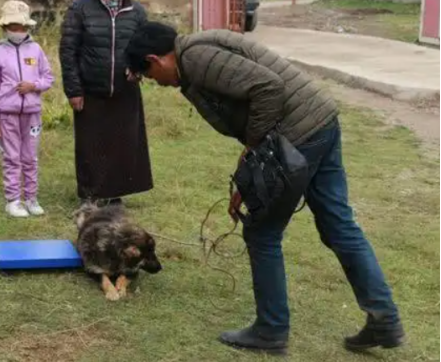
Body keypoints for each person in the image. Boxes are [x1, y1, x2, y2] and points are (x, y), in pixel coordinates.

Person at [126, 22, 405, 356]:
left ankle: (270, 330)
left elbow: (267, 87)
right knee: (339, 225)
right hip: (320, 122)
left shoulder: (196, 57)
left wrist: (253, 151)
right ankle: (384, 317)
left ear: (156, 59)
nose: (157, 83)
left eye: (151, 76)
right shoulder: (195, 53)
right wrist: (249, 163)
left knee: (262, 234)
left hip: (299, 135)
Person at [59, 0, 153, 206]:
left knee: (121, 143)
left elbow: (146, 45)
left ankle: (114, 194)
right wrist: (73, 90)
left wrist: (138, 68)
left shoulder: (136, 11)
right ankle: (90, 195)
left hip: (125, 90)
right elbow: (68, 51)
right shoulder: (80, 9)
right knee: (89, 145)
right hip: (90, 89)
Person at [0, 0, 55, 218]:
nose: (18, 31)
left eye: (22, 26)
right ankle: (13, 200)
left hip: (32, 114)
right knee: (11, 157)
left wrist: (33, 86)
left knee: (30, 157)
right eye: (13, 27)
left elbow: (48, 77)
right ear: (5, 28)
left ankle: (31, 198)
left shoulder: (36, 49)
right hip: (7, 114)